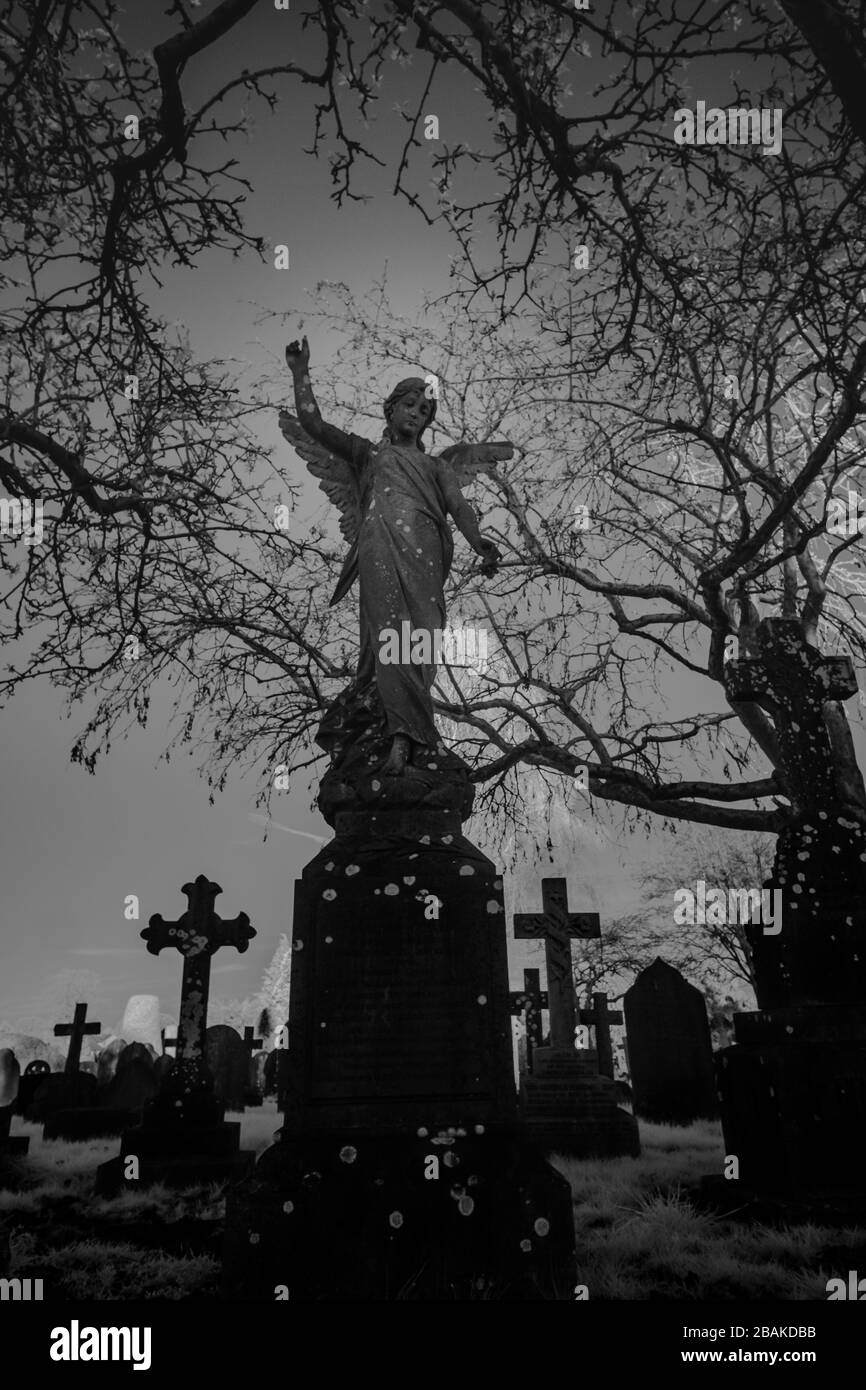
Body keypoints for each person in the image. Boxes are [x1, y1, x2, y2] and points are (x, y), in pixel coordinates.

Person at [282, 336, 506, 776]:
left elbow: (459, 506)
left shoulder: (438, 467)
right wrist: (299, 372)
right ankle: (398, 738)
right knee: (388, 638)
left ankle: (410, 733)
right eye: (409, 405)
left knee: (421, 640)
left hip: (425, 559)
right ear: (391, 409)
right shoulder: (368, 456)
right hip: (381, 550)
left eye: (424, 411)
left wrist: (479, 541)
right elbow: (314, 426)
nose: (416, 414)